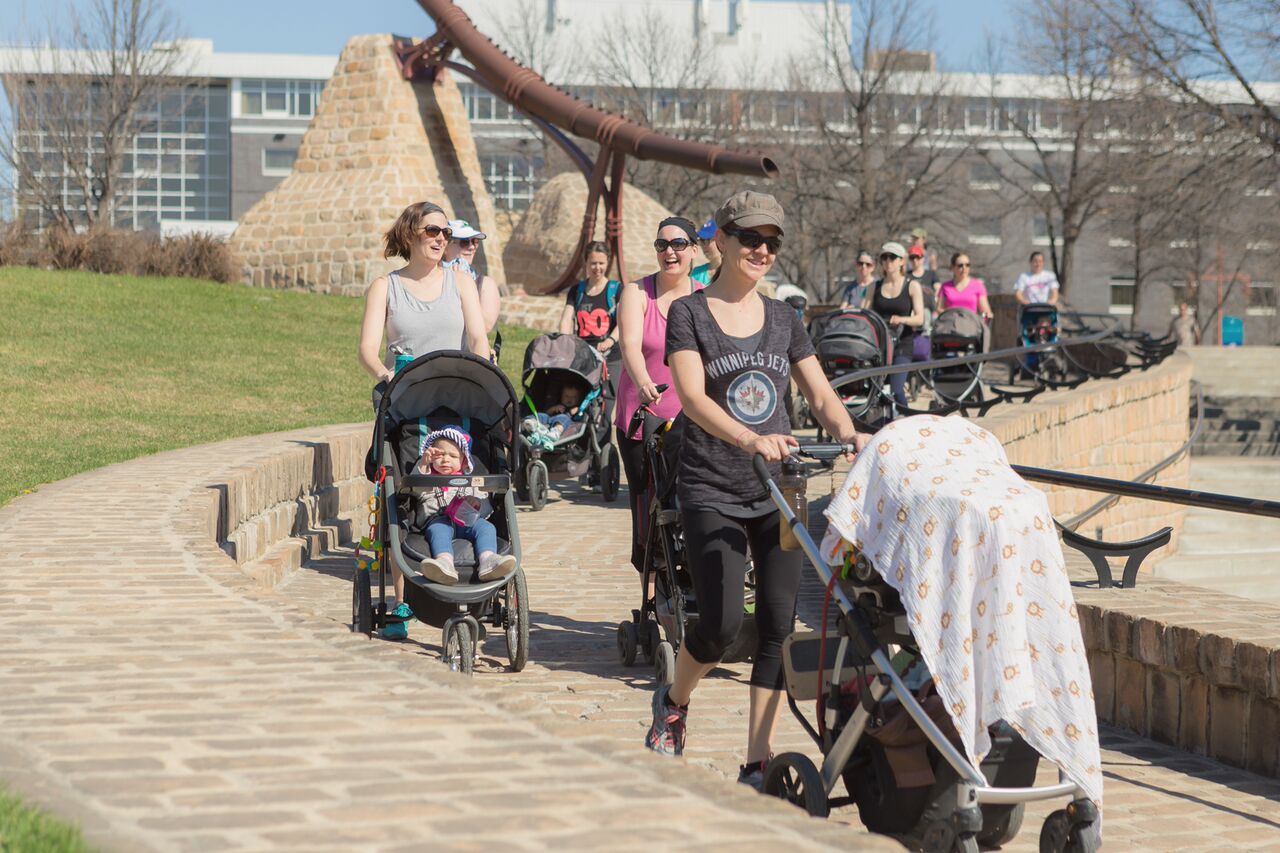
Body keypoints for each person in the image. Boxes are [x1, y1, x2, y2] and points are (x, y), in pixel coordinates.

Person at [644, 190, 873, 790]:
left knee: (776, 624)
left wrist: (850, 433)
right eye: (751, 239)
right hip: (711, 485)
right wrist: (750, 439)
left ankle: (756, 761)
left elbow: (820, 395)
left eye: (772, 241)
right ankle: (673, 699)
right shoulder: (689, 313)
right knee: (719, 625)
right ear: (721, 241)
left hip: (780, 490)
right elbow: (691, 399)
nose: (763, 250)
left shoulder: (784, 318)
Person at [358, 201, 491, 639]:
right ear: (411, 233)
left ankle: (479, 572)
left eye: (444, 232)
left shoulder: (460, 281)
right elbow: (367, 350)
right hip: (407, 403)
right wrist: (386, 376)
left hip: (456, 404)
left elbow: (476, 336)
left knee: (467, 484)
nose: (440, 238)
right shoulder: (387, 287)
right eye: (432, 230)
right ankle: (401, 602)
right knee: (406, 493)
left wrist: (485, 366)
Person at [615, 216, 705, 573]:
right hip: (643, 420)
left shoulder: (704, 299)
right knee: (647, 512)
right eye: (662, 245)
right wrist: (641, 382)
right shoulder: (637, 293)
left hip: (692, 421)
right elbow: (630, 345)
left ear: (694, 250)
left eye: (679, 244)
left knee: (691, 505)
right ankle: (650, 597)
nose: (670, 251)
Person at [415, 427, 516, 585]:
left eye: (453, 456)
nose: (445, 459)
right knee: (439, 531)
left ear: (463, 461)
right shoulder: (426, 479)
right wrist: (423, 464)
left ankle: (488, 559)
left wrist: (476, 503)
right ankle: (444, 562)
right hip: (439, 520)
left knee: (487, 528)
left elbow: (487, 508)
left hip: (469, 521)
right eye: (439, 455)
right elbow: (415, 489)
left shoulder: (472, 482)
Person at [863, 242, 924, 408]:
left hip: (902, 344)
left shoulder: (912, 286)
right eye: (884, 257)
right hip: (878, 346)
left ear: (902, 261)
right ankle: (880, 427)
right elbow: (862, 314)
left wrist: (902, 319)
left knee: (897, 391)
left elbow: (920, 319)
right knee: (876, 392)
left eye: (892, 257)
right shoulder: (873, 287)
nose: (888, 261)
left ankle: (905, 423)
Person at [558, 241, 621, 358]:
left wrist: (610, 341)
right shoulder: (576, 291)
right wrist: (564, 341)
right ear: (586, 262)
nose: (597, 268)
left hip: (611, 355)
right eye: (593, 263)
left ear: (607, 262)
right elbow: (565, 321)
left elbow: (624, 322)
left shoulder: (617, 289)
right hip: (582, 354)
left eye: (601, 263)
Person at [443, 219, 502, 332]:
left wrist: (464, 287)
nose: (471, 247)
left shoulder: (484, 283)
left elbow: (485, 326)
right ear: (445, 247)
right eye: (464, 242)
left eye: (475, 241)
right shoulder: (430, 279)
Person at [938, 252, 993, 321]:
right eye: (960, 265)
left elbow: (985, 308)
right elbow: (939, 308)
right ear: (952, 268)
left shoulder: (978, 285)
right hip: (950, 324)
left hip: (971, 324)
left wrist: (987, 313)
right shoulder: (945, 286)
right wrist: (950, 315)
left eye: (967, 265)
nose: (964, 268)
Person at [906, 244, 938, 350]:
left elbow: (938, 290)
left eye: (917, 257)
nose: (915, 260)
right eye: (912, 257)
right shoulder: (907, 276)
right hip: (911, 310)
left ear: (923, 259)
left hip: (928, 310)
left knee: (926, 314)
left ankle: (926, 344)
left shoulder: (931, 275)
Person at [691, 219, 722, 285]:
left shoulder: (734, 277)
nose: (703, 246)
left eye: (707, 240)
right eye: (701, 241)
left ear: (721, 241)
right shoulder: (695, 274)